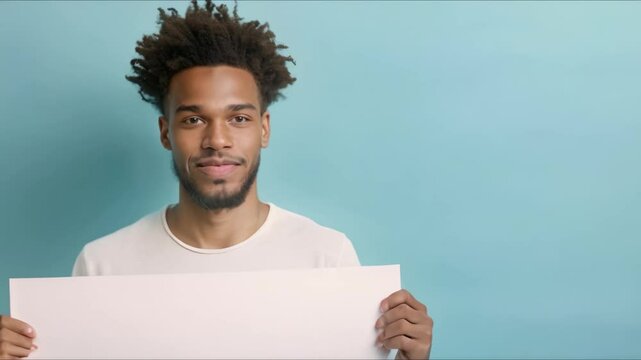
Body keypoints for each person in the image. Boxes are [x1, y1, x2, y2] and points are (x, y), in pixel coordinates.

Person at [0, 1, 433, 358]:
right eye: (193, 119)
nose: (217, 140)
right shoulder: (102, 264)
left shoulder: (327, 255)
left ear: (263, 129)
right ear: (166, 132)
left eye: (238, 118)